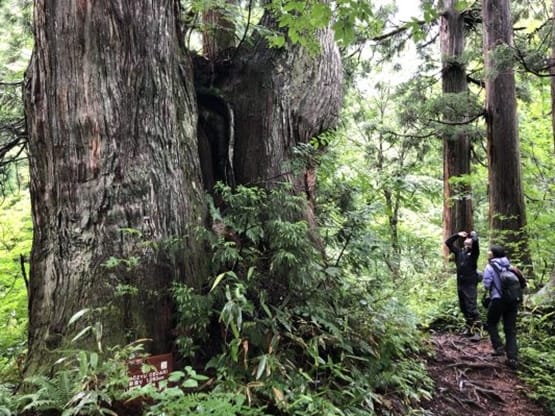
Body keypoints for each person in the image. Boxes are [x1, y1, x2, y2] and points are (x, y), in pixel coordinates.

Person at [482, 245, 519, 370]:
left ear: (494, 254)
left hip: (498, 299)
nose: (488, 252)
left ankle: (498, 347)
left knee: (491, 323)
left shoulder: (490, 266)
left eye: (490, 251)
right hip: (513, 301)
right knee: (510, 329)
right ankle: (512, 358)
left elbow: (486, 284)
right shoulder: (509, 266)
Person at [445, 230, 481, 341]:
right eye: (466, 238)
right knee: (464, 307)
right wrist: (457, 235)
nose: (467, 239)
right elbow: (448, 243)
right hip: (460, 284)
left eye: (469, 238)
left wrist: (473, 235)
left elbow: (475, 242)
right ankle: (469, 328)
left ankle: (478, 332)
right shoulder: (459, 252)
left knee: (471, 308)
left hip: (470, 284)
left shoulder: (474, 253)